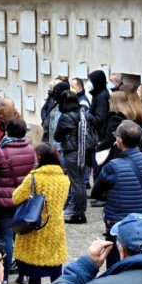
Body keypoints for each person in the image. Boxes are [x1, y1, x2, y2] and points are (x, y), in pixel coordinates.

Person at [91, 120, 142, 268]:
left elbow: (95, 193)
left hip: (119, 225)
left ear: (119, 140)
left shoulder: (113, 166)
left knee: (118, 267)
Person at [12, 143, 69, 284]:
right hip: (55, 230)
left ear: (41, 158)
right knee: (55, 272)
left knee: (34, 272)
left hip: (35, 230)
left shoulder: (34, 177)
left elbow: (16, 197)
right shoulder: (65, 179)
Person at [0, 118, 35, 284]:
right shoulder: (31, 150)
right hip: (23, 200)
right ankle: (24, 276)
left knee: (6, 237)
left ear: (8, 132)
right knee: (22, 237)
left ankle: (5, 277)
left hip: (4, 201)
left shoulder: (2, 152)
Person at [55, 91, 91, 223]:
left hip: (71, 153)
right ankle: (81, 212)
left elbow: (57, 136)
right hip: (83, 152)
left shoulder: (65, 117)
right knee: (81, 182)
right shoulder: (83, 114)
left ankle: (78, 214)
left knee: (76, 183)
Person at [45, 82, 70, 153]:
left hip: (61, 147)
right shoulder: (57, 103)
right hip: (53, 143)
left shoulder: (67, 107)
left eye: (56, 92)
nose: (54, 94)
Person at [41, 77, 66, 142]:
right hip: (47, 128)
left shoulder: (62, 101)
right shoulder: (51, 97)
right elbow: (44, 109)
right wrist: (45, 120)